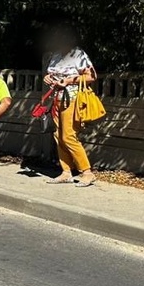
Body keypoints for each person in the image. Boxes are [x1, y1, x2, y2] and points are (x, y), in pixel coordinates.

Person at [44, 25, 98, 187]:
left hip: (73, 99)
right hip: (57, 99)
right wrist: (48, 77)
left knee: (68, 136)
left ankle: (87, 172)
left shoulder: (78, 54)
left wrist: (68, 81)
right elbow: (52, 73)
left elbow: (91, 76)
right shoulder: (55, 55)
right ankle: (66, 171)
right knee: (58, 135)